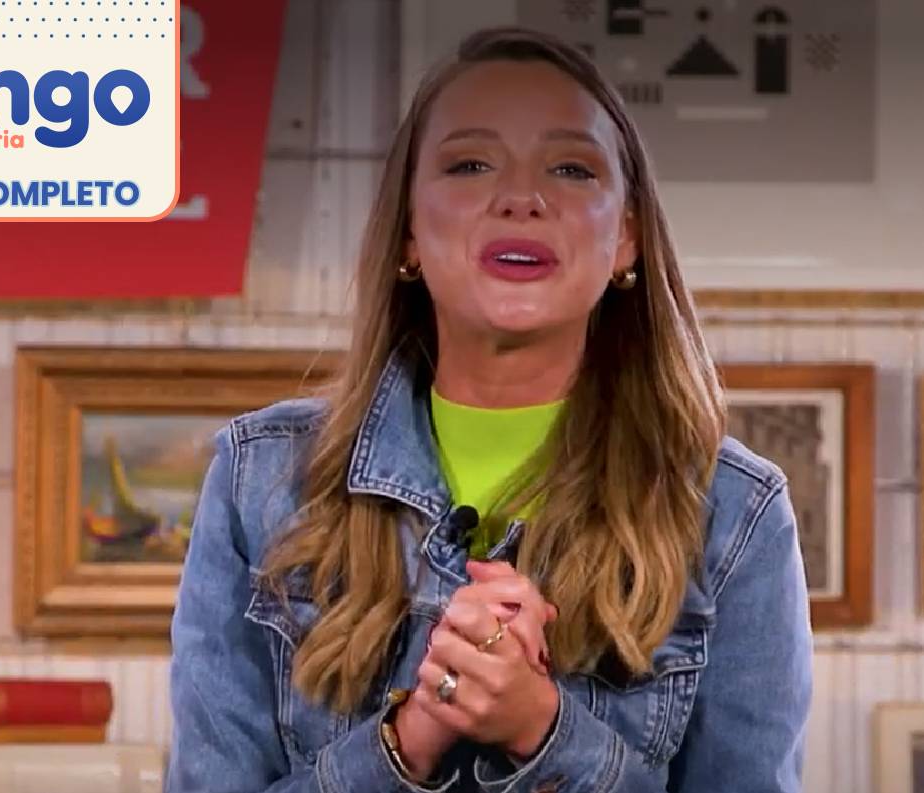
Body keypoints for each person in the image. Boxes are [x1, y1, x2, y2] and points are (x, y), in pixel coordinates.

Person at [166, 25, 812, 793]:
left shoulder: (733, 512)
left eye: (571, 168)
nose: (521, 199)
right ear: (408, 231)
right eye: (470, 164)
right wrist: (409, 738)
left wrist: (545, 732)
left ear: (626, 239)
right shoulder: (260, 479)